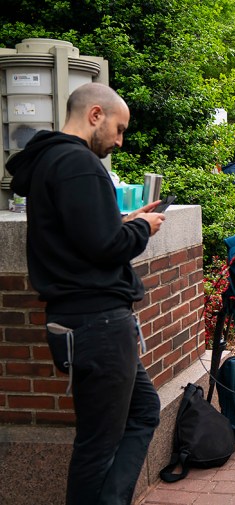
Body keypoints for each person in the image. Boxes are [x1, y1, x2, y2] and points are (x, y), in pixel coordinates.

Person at [7, 82, 165, 505]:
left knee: (144, 410)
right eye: (118, 128)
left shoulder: (50, 162)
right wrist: (139, 229)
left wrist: (122, 222)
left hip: (86, 322)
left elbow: (87, 235)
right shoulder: (77, 163)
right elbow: (104, 247)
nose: (118, 140)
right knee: (97, 446)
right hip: (99, 324)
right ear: (95, 114)